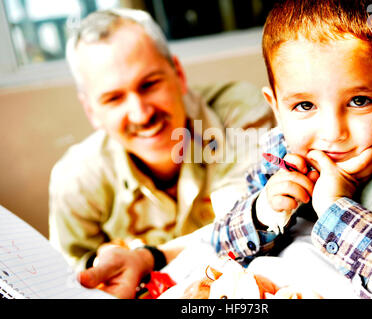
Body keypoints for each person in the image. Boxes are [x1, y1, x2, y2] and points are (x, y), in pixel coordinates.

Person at [211, 0, 372, 298]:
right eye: (304, 105)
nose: (333, 133)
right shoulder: (281, 155)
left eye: (359, 101)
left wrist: (337, 208)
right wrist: (263, 210)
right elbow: (219, 245)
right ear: (276, 109)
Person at [48, 8, 274, 298]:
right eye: (114, 98)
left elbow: (247, 225)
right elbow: (67, 281)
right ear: (92, 111)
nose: (141, 114)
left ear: (178, 74)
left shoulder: (240, 116)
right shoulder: (76, 180)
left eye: (149, 84)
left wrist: (146, 258)